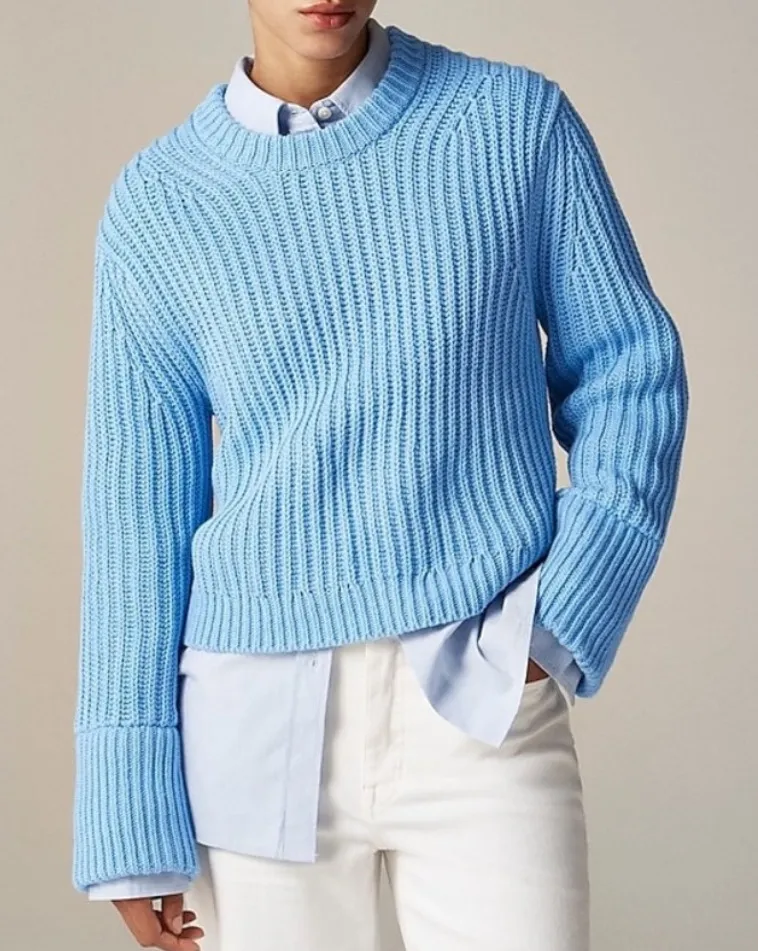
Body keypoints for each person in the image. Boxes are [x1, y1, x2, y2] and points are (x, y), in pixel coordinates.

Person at [72, 2, 689, 950]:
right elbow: (135, 519)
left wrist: (558, 621)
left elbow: (630, 372)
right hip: (250, 721)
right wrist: (125, 812)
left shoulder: (513, 124)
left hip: (479, 691)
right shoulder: (160, 202)